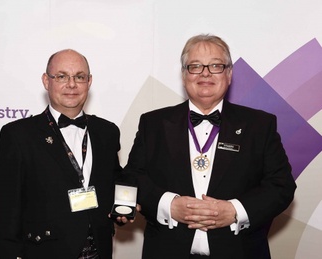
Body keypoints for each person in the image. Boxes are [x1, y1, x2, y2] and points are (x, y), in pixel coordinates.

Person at [124, 34, 296, 259]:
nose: (205, 73)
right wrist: (169, 205)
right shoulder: (153, 123)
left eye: (215, 65)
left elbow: (281, 186)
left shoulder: (259, 125)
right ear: (184, 75)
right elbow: (132, 178)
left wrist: (235, 211)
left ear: (229, 74)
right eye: (195, 66)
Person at [0, 49, 127, 259]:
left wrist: (124, 207)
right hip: (45, 252)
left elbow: (114, 179)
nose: (71, 85)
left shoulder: (107, 132)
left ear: (89, 82)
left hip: (99, 250)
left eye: (79, 77)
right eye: (62, 76)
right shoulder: (18, 135)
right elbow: (5, 210)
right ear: (46, 81)